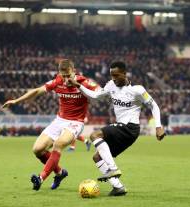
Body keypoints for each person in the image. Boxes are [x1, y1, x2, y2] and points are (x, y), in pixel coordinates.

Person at [68, 61, 165, 196]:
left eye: (116, 75)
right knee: (97, 157)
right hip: (122, 129)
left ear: (124, 74)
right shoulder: (110, 85)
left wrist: (158, 126)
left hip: (130, 128)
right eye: (112, 75)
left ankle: (113, 168)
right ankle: (118, 187)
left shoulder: (138, 90)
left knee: (95, 135)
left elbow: (154, 106)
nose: (113, 78)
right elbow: (95, 96)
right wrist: (78, 86)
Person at [2, 59, 98, 191]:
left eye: (68, 75)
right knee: (37, 149)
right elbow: (37, 91)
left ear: (74, 72)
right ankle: (60, 173)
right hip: (59, 120)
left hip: (76, 122)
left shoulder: (84, 82)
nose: (65, 79)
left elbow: (100, 92)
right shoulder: (57, 81)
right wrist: (16, 101)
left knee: (58, 144)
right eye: (63, 76)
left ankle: (40, 178)